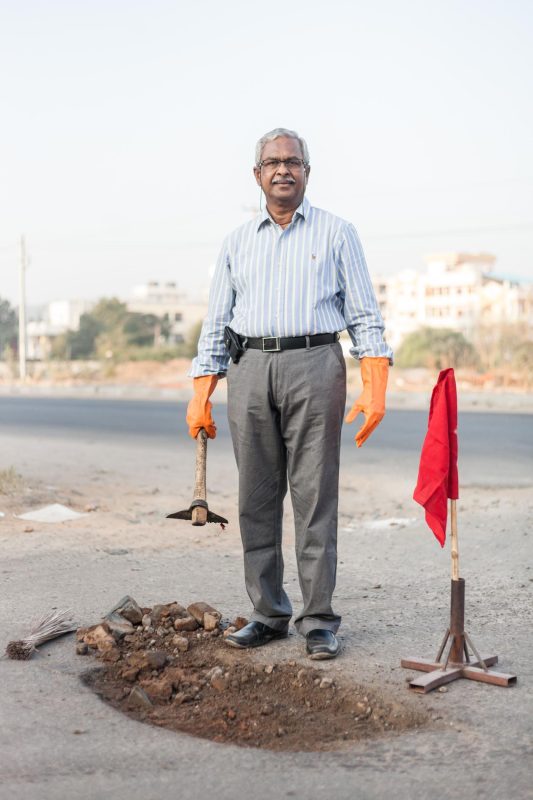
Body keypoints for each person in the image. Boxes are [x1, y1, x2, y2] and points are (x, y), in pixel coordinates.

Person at [187, 127, 393, 659]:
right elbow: (217, 322)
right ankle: (268, 612)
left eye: (293, 161)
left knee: (313, 495)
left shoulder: (337, 233)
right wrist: (202, 388)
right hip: (250, 367)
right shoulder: (236, 242)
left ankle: (318, 619)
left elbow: (364, 314)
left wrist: (375, 381)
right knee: (256, 498)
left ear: (307, 172)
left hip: (315, 363)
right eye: (273, 162)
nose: (283, 169)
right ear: (257, 175)